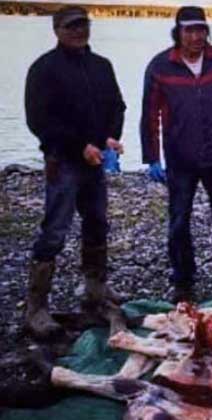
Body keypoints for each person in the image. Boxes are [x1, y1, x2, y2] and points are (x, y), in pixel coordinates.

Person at [24, 6, 126, 339]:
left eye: (83, 25)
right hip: (63, 162)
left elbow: (117, 106)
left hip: (96, 162)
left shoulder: (102, 66)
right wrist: (79, 146)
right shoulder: (43, 69)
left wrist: (110, 137)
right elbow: (40, 120)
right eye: (71, 26)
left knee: (97, 223)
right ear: (56, 30)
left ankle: (94, 290)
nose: (78, 31)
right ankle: (36, 308)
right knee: (54, 230)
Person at [140, 6, 212, 300]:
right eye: (189, 30)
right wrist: (152, 157)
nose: (195, 36)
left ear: (207, 31)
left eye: (201, 29)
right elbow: (150, 114)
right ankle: (183, 281)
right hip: (180, 158)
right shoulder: (160, 66)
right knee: (179, 219)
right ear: (178, 33)